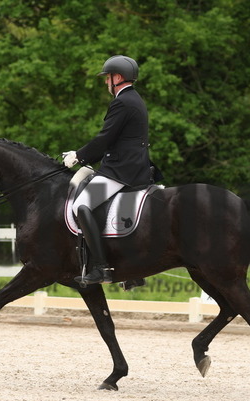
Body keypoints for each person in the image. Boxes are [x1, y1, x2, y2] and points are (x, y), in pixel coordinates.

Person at [63, 55, 161, 286]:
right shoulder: (134, 99)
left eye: (107, 77)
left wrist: (78, 156)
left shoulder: (122, 102)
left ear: (117, 77)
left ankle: (102, 267)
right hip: (130, 165)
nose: (106, 82)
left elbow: (105, 138)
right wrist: (89, 158)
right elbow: (114, 141)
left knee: (81, 205)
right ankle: (131, 270)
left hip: (122, 170)